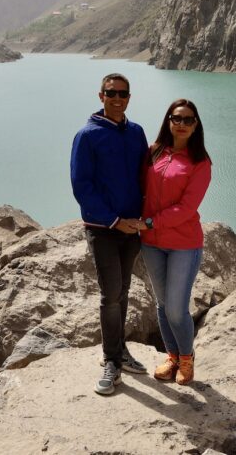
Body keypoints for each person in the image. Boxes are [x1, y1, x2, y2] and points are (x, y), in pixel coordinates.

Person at [70, 72, 150, 395]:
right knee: (110, 293)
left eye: (123, 94)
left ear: (129, 97)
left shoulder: (136, 133)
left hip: (131, 228)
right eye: (111, 93)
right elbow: (82, 188)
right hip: (104, 229)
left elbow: (146, 177)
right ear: (100, 95)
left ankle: (120, 351)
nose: (117, 99)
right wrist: (115, 220)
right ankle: (111, 361)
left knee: (124, 290)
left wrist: (142, 218)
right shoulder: (87, 136)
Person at [139, 98, 212, 386]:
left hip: (183, 244)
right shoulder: (154, 152)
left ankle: (187, 359)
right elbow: (138, 188)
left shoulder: (200, 163)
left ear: (196, 126)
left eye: (188, 119)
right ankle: (171, 358)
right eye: (176, 118)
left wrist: (150, 222)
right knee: (161, 304)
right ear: (168, 121)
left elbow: (187, 208)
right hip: (151, 243)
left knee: (175, 308)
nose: (181, 124)